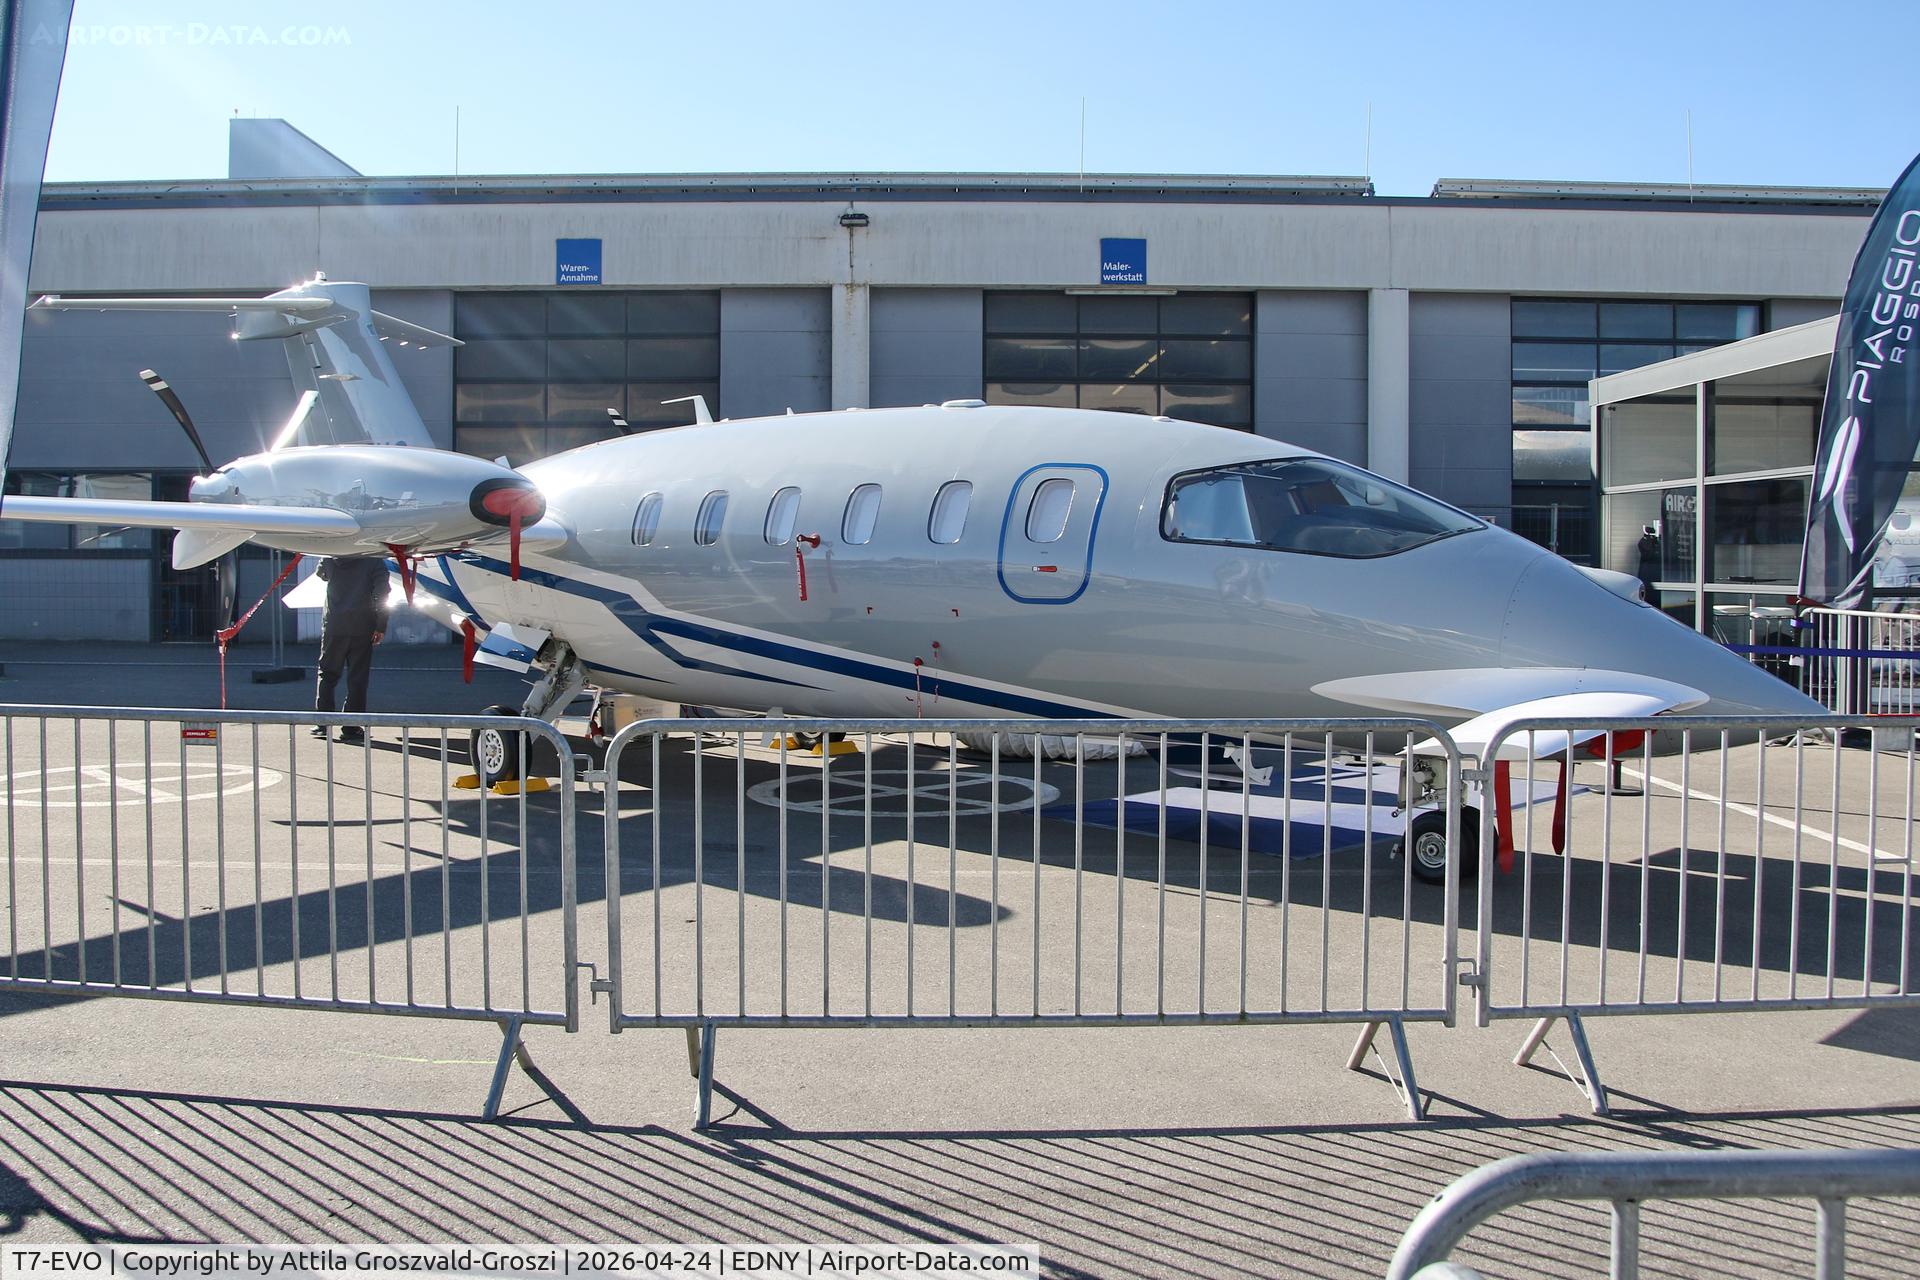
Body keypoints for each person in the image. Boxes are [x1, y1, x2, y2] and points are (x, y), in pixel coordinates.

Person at [314, 556, 389, 743]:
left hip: (334, 624)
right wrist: (381, 625)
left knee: (327, 673)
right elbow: (382, 592)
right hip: (362, 626)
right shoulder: (373, 560)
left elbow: (321, 574)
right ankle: (351, 725)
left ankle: (322, 722)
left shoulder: (331, 557)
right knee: (357, 678)